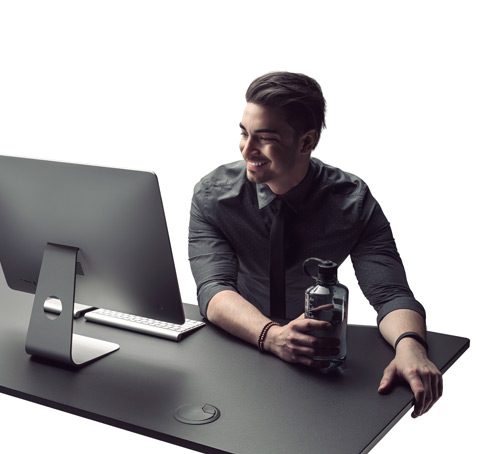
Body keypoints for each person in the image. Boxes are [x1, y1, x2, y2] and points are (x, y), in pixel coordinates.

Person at [188, 71, 441, 417]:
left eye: (264, 138)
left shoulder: (353, 202)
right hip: (238, 340)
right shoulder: (212, 196)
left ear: (306, 142)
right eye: (244, 133)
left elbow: (390, 293)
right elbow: (213, 288)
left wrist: (410, 345)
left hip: (320, 359)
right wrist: (272, 337)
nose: (247, 149)